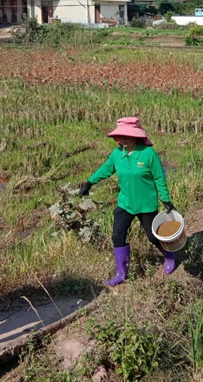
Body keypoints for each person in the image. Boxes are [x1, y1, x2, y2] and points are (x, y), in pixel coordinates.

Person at [78, 117, 176, 287]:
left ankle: (169, 255)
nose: (122, 140)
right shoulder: (117, 154)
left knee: (153, 237)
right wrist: (89, 182)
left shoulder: (148, 154)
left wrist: (166, 200)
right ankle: (121, 273)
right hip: (125, 203)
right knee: (117, 236)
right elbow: (106, 169)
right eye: (120, 136)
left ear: (136, 136)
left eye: (126, 136)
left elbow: (159, 178)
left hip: (146, 204)